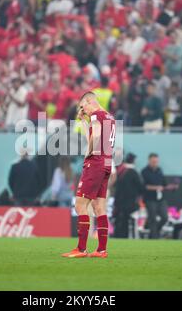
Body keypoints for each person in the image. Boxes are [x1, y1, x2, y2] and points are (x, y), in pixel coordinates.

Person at [62, 91, 115, 258]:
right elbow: (91, 135)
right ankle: (101, 250)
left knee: (80, 205)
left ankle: (81, 249)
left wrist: (88, 153)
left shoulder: (96, 116)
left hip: (96, 162)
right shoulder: (109, 117)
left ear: (90, 101)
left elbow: (96, 138)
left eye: (83, 106)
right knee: (99, 206)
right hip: (106, 163)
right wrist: (83, 121)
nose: (82, 109)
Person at [113, 153, 142, 238]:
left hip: (118, 200)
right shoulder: (133, 172)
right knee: (126, 221)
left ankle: (117, 236)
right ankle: (124, 236)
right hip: (130, 201)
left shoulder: (119, 171)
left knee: (118, 220)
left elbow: (115, 185)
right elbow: (140, 187)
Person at [141, 153, 169, 239]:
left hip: (160, 198)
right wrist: (155, 187)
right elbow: (144, 186)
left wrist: (165, 187)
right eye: (153, 161)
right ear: (149, 161)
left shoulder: (160, 170)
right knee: (152, 217)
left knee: (165, 217)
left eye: (156, 161)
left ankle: (155, 231)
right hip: (150, 198)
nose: (155, 163)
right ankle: (154, 237)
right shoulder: (144, 171)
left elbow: (164, 183)